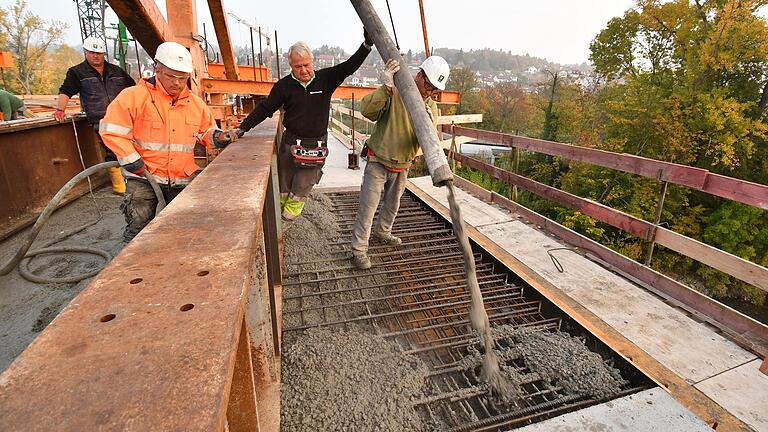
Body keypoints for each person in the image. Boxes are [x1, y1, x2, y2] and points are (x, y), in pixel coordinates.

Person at [99, 41, 241, 242]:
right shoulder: (134, 96)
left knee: (182, 231)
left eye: (182, 78)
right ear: (157, 69)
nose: (177, 83)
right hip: (144, 176)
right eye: (171, 76)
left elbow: (206, 132)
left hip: (181, 178)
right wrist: (130, 159)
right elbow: (111, 130)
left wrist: (218, 137)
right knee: (138, 230)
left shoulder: (195, 104)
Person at [233, 31, 374, 222]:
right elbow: (265, 108)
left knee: (301, 187)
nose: (304, 70)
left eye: (306, 65)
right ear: (291, 66)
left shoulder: (326, 79)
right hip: (290, 143)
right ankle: (279, 224)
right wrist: (243, 127)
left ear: (312, 61)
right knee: (284, 186)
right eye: (298, 66)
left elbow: (349, 66)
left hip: (315, 145)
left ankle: (287, 221)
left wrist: (366, 45)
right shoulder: (284, 86)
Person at [350, 56, 450, 269]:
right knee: (368, 208)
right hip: (379, 160)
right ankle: (359, 251)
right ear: (419, 75)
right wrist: (385, 88)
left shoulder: (430, 106)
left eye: (435, 91)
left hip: (403, 164)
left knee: (392, 206)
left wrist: (429, 121)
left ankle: (383, 232)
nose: (430, 93)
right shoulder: (394, 91)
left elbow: (431, 139)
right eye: (429, 87)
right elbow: (367, 110)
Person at [54, 36, 136, 194]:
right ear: (85, 52)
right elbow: (66, 91)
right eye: (92, 52)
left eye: (99, 53)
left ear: (104, 54)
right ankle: (120, 187)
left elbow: (134, 89)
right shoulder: (77, 72)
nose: (95, 56)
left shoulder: (116, 71)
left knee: (132, 147)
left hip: (125, 117)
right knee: (113, 150)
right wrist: (60, 109)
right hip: (101, 119)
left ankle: (134, 180)